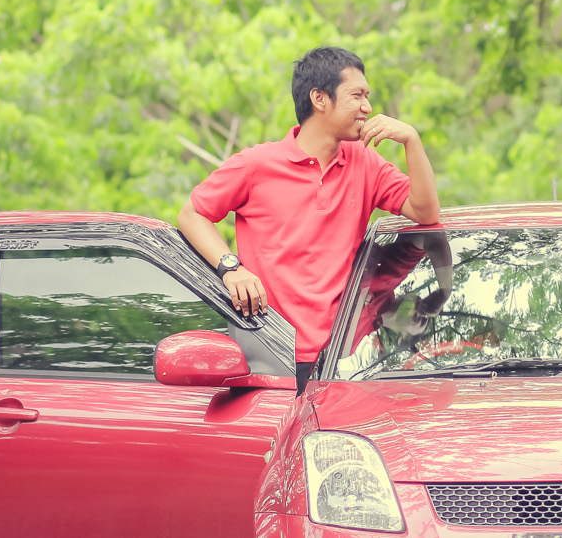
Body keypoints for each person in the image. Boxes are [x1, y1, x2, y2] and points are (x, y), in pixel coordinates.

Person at [176, 45, 441, 392]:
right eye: (356, 95)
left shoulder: (365, 162)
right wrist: (231, 267)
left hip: (348, 359)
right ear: (320, 98)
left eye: (367, 96)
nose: (368, 107)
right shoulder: (256, 164)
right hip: (273, 356)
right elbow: (192, 213)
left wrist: (412, 140)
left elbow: (426, 213)